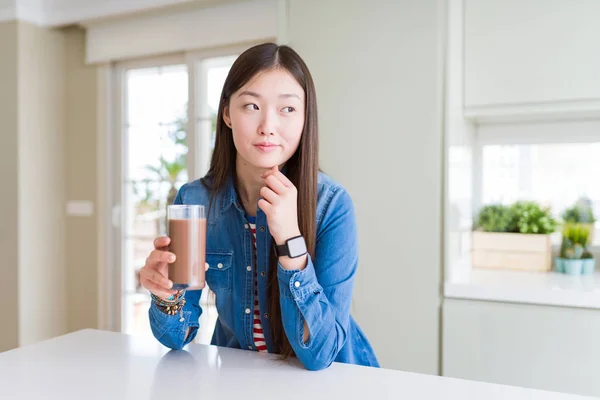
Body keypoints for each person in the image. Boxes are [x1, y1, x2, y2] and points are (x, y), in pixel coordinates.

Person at [139, 42, 379, 371]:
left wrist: (290, 239)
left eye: (287, 109)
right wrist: (166, 295)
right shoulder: (195, 202)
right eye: (251, 106)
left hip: (336, 381)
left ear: (305, 117)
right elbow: (177, 336)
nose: (268, 125)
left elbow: (320, 354)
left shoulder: (333, 205)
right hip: (241, 380)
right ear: (226, 113)